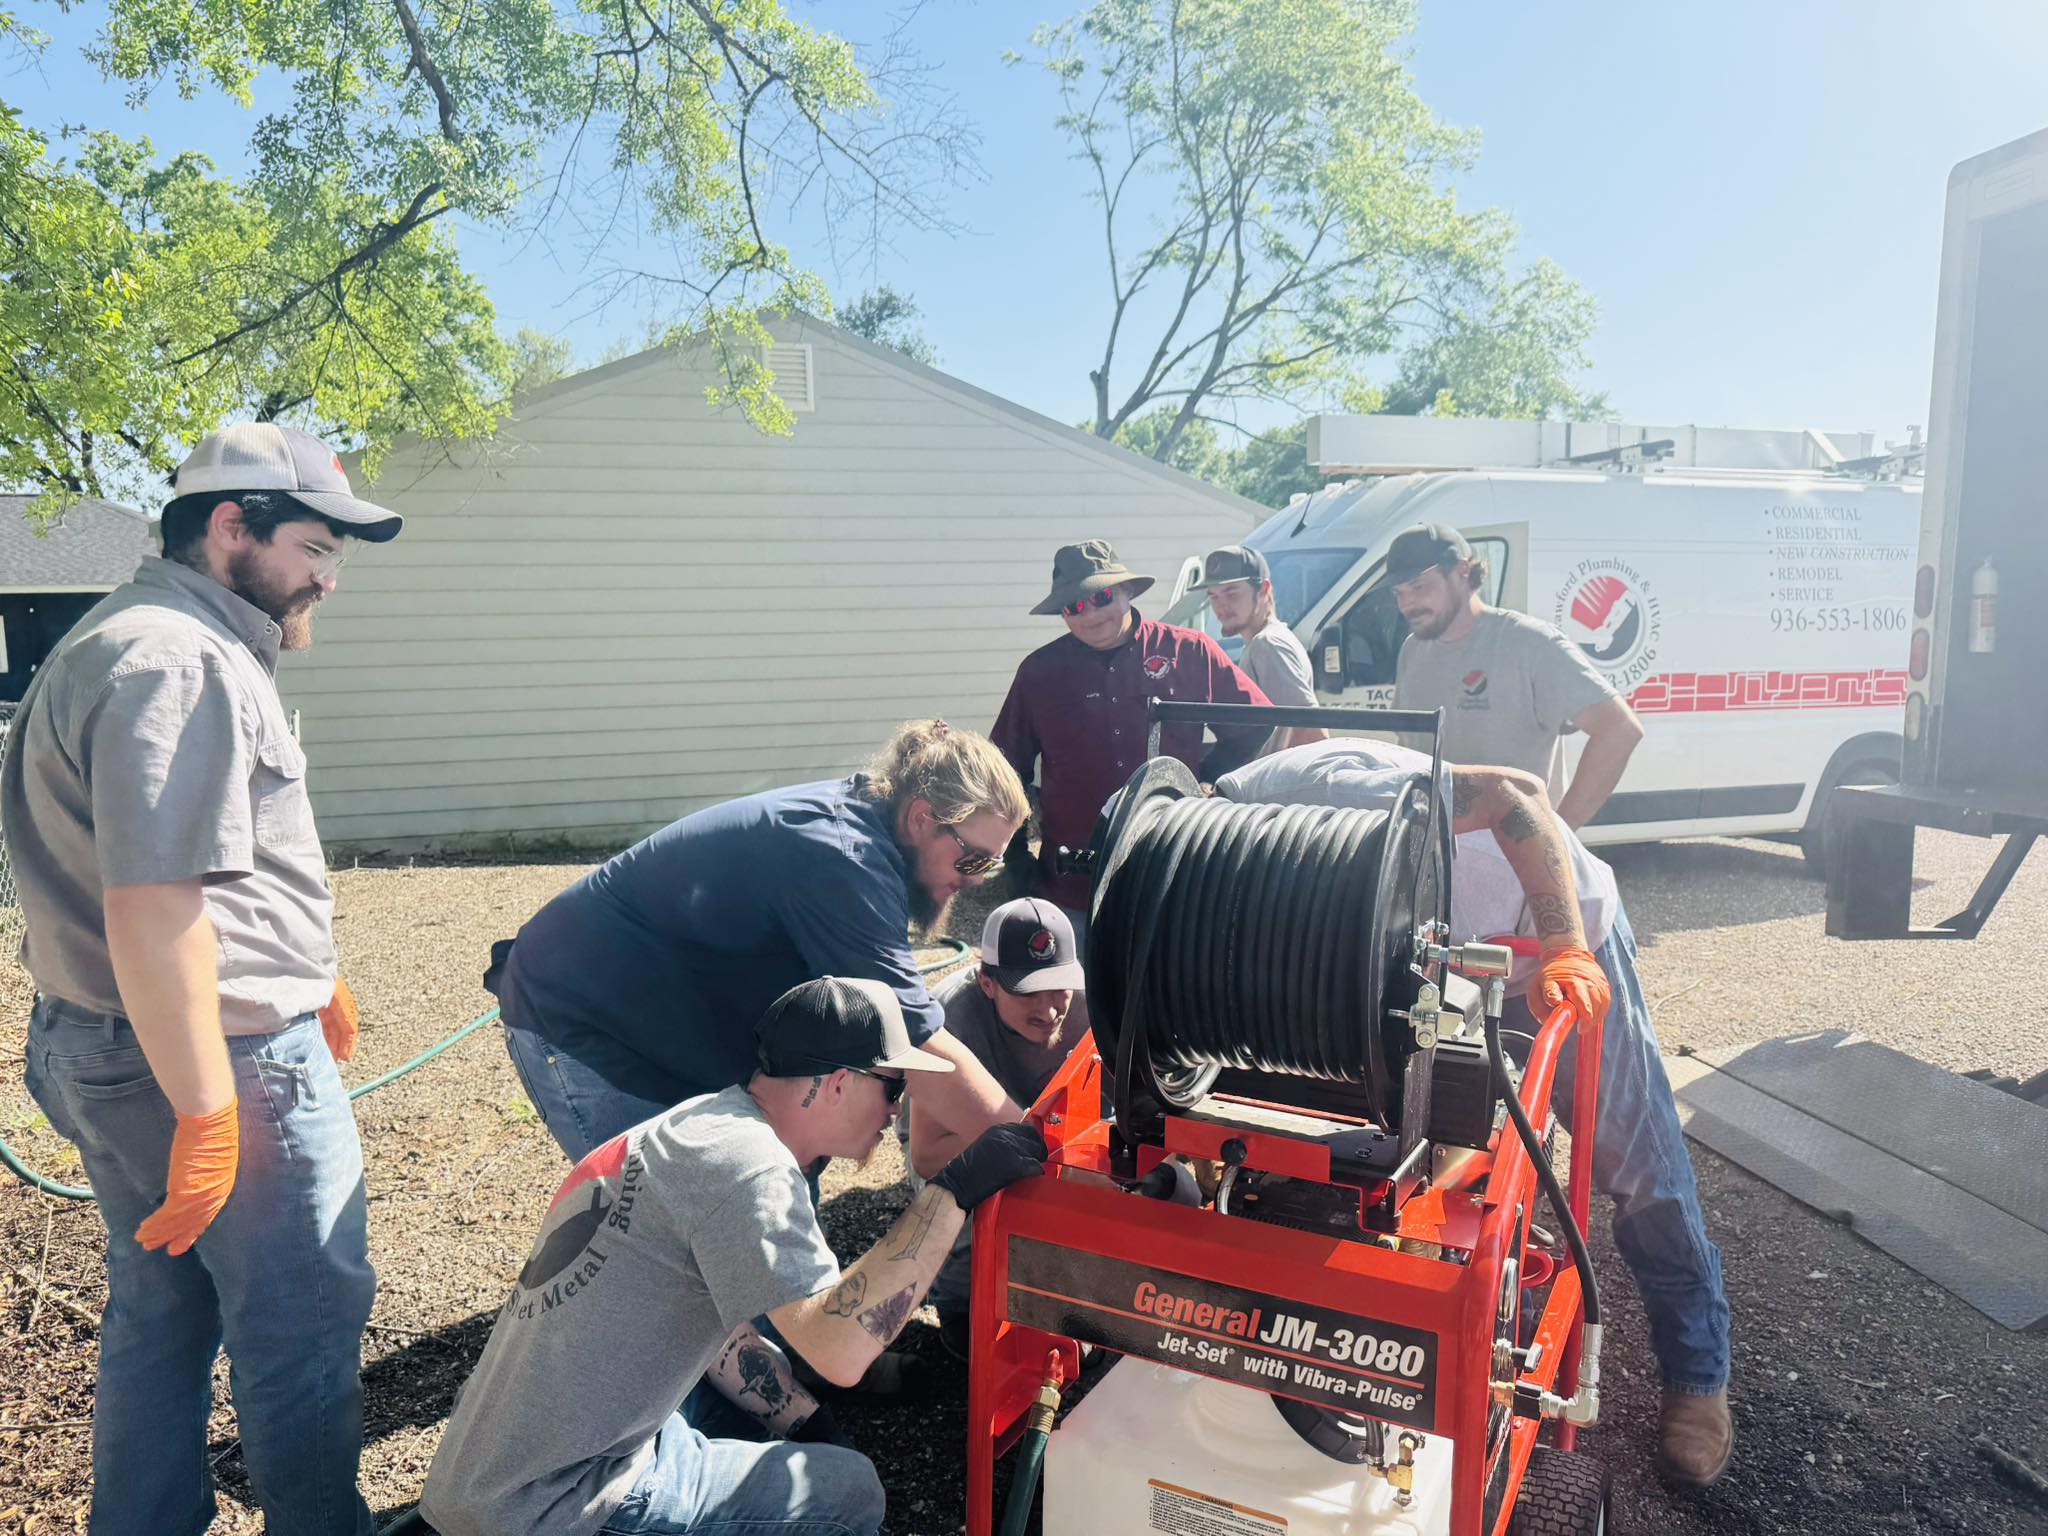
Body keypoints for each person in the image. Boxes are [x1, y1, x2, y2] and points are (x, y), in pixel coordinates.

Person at [0, 423, 402, 1536]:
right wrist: (211, 1110)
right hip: (209, 1058)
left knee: (162, 1309)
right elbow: (155, 906)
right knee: (301, 1321)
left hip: (101, 1039)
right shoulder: (181, 660)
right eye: (314, 548)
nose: (327, 578)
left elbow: (181, 870)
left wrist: (306, 969)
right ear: (232, 527)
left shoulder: (119, 636)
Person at [1217, 739, 1735, 1487]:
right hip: (1432, 967)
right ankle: (1457, 1319)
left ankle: (1697, 1373)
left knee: (1636, 1161)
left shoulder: (1319, 794)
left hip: (1544, 940)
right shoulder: (1230, 899)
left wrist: (1564, 944)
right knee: (1431, 1141)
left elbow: (1515, 791)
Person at [420, 977, 1049, 1536]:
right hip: (558, 1503)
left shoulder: (701, 1125)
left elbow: (724, 1331)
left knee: (746, 1421)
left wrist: (807, 1423)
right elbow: (841, 1352)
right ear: (839, 1082)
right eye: (893, 1087)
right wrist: (952, 1193)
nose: (897, 1110)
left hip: (485, 1481)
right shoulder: (752, 1170)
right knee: (850, 1491)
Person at [490, 719, 1030, 1165]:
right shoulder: (845, 861)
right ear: (921, 818)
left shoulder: (871, 829)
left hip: (671, 1006)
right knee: (660, 1218)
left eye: (994, 864)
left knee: (757, 1188)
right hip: (582, 1014)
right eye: (974, 859)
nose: (978, 880)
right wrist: (1037, 1149)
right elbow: (914, 1043)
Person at [990, 539, 1272, 922]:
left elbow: (1254, 724)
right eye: (1074, 606)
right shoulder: (1039, 672)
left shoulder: (1189, 652)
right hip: (1074, 883)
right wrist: (1015, 854)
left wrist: (1205, 779)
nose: (1090, 614)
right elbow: (1002, 770)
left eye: (1101, 597)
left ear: (1126, 591)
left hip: (1175, 872)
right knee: (1080, 963)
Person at [902, 898, 1086, 1362]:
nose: (1048, 1009)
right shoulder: (947, 1020)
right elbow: (927, 1156)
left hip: (1043, 1130)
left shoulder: (1093, 1006)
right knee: (970, 1205)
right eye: (1027, 992)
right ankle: (957, 1302)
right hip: (952, 1133)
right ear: (987, 982)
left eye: (1058, 986)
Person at [1389, 523, 1645, 828]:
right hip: (1431, 845)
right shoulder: (1412, 652)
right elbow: (1409, 751)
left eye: (1418, 587)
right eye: (1398, 593)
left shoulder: (1529, 643)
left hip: (1512, 849)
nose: (1406, 604)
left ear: (1462, 572)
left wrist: (1557, 835)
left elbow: (1619, 729)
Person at [1199, 543, 1327, 754]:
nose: (1221, 605)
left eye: (1231, 594)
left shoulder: (1267, 644)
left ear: (1263, 590)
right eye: (1213, 596)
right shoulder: (1268, 641)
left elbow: (1311, 731)